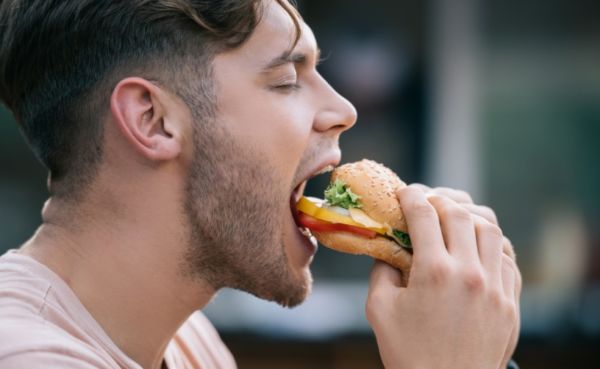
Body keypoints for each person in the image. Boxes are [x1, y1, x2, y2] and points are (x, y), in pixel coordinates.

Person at [0, 1, 521, 368]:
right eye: (287, 80)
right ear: (153, 119)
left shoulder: (190, 345)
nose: (344, 110)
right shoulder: (26, 354)